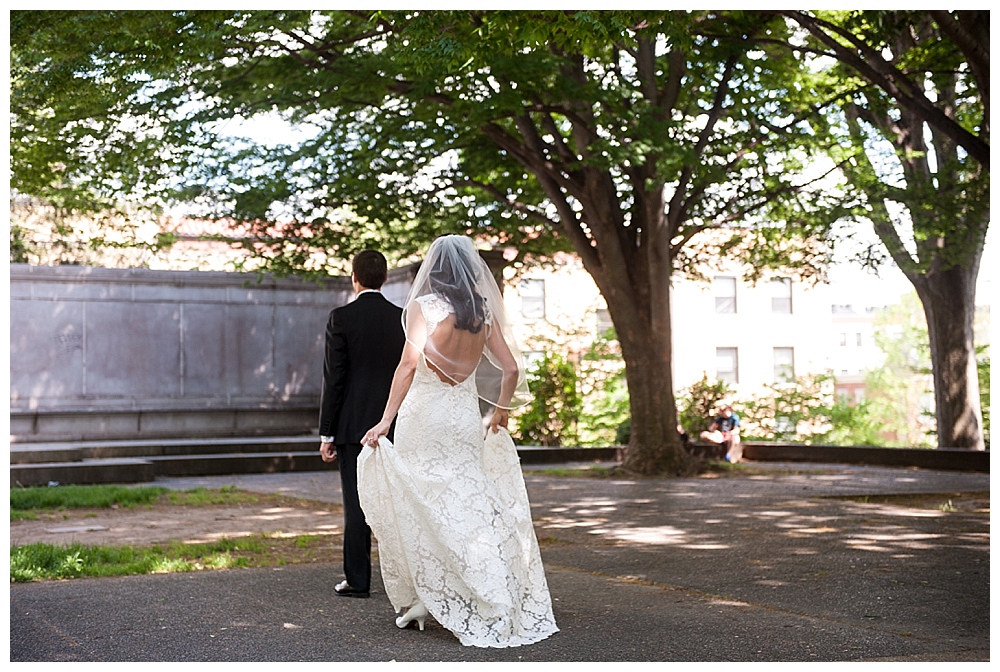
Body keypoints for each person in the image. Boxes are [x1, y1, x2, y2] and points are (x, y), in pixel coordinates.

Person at [356, 234, 558, 648]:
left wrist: (384, 420)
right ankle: (480, 591)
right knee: (467, 502)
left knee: (422, 502)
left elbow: (409, 365)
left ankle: (430, 596)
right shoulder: (482, 313)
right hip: (464, 418)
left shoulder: (423, 308)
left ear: (433, 272)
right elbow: (511, 369)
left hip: (424, 415)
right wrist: (501, 410)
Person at [318, 250, 406, 599]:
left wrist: (327, 433)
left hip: (352, 427)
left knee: (356, 504)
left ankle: (358, 580)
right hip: (394, 425)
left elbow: (333, 378)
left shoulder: (341, 318)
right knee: (397, 503)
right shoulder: (401, 319)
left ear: (354, 278)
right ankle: (406, 581)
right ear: (384, 278)